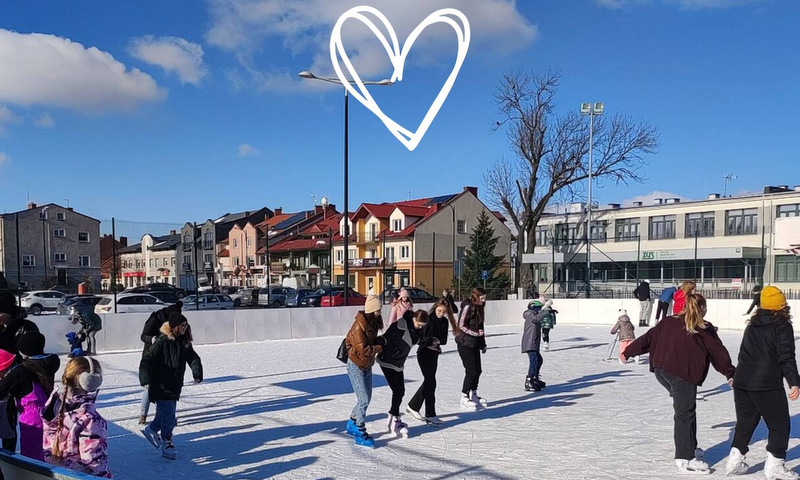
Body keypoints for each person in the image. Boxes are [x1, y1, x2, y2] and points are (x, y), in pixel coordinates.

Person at [624, 294, 735, 475]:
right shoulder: (703, 328)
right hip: (682, 374)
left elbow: (648, 338)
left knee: (687, 410)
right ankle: (684, 458)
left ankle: (690, 447)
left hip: (662, 371)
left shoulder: (668, 321)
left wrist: (628, 352)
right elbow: (717, 352)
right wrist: (730, 373)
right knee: (684, 413)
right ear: (703, 309)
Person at [725, 286, 800, 479]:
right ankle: (775, 465)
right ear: (781, 305)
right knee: (779, 425)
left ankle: (734, 460)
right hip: (766, 383)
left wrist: (736, 375)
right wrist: (794, 381)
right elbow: (786, 356)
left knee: (745, 422)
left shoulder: (752, 324)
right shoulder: (782, 325)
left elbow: (743, 353)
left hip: (743, 381)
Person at [139, 312, 203, 460]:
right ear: (174, 327)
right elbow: (147, 360)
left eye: (186, 325)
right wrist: (145, 378)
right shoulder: (162, 341)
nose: (185, 328)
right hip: (160, 384)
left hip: (174, 385)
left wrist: (197, 372)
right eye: (182, 325)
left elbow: (193, 357)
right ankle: (167, 441)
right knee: (169, 417)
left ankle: (151, 429)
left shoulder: (184, 343)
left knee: (164, 414)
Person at [42, 356, 111, 478]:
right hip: (77, 476)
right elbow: (93, 460)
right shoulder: (90, 418)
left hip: (51, 472)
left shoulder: (52, 405)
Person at [0, 333, 59, 461]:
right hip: (50, 411)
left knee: (32, 455)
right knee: (46, 451)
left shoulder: (20, 371)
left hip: (31, 415)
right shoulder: (49, 362)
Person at [377, 309, 428, 437]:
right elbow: (385, 338)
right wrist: (374, 343)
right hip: (387, 360)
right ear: (414, 319)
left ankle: (393, 418)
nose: (420, 327)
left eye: (423, 325)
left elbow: (421, 340)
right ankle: (395, 419)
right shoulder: (400, 326)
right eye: (419, 324)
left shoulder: (418, 331)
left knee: (401, 390)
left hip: (399, 363)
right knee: (397, 391)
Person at [407, 299, 458, 425]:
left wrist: (437, 340)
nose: (441, 313)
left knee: (429, 381)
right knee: (431, 382)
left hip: (434, 354)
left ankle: (413, 406)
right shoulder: (428, 319)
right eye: (439, 310)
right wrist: (432, 340)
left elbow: (444, 340)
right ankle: (430, 413)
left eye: (444, 312)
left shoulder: (445, 322)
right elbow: (421, 339)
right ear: (435, 308)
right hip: (424, 353)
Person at [344, 295, 385, 448]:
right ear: (371, 310)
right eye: (378, 310)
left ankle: (352, 422)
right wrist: (379, 347)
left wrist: (380, 341)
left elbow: (371, 343)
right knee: (364, 399)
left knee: (366, 398)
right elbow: (363, 349)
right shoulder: (358, 326)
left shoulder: (372, 323)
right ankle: (359, 431)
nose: (380, 312)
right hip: (355, 365)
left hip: (367, 365)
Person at [0, 291, 38, 452]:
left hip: (17, 379)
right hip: (3, 376)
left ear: (8, 312)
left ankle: (10, 454)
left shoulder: (26, 327)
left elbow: (32, 351)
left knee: (10, 420)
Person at [138, 301, 183, 425]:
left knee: (169, 388)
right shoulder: (154, 318)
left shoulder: (176, 323)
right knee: (150, 387)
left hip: (168, 358)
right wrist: (151, 339)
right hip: (152, 355)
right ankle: (143, 414)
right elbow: (143, 336)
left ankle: (169, 415)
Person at [456, 287, 488, 410]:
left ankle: (473, 394)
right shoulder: (468, 306)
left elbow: (481, 327)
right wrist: (476, 334)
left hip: (474, 343)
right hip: (464, 343)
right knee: (471, 371)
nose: (484, 300)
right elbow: (461, 326)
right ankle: (464, 396)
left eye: (485, 298)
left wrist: (482, 343)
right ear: (476, 297)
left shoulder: (479, 308)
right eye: (482, 298)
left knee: (478, 370)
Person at [521, 300, 550, 392]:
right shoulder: (530, 315)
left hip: (533, 342)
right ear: (533, 308)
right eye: (538, 308)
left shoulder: (533, 314)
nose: (539, 310)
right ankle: (529, 381)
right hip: (530, 343)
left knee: (539, 360)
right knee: (534, 361)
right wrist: (547, 312)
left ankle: (535, 378)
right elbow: (536, 319)